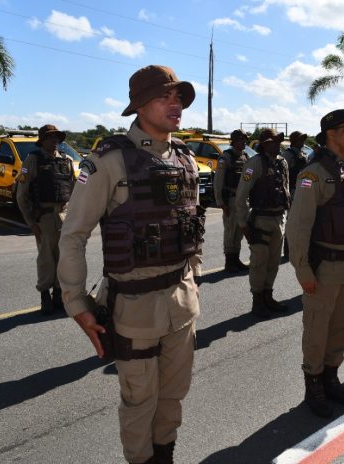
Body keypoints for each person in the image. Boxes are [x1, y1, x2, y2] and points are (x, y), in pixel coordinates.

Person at [57, 65, 203, 464]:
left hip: (183, 303)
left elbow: (191, 224)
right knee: (140, 401)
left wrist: (195, 278)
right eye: (165, 96)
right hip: (134, 309)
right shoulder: (107, 161)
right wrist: (76, 304)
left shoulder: (187, 160)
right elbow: (72, 235)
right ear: (139, 105)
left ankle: (165, 455)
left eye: (180, 98)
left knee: (173, 396)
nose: (176, 105)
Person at [286, 109, 344, 418]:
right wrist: (303, 270)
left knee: (340, 329)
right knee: (317, 331)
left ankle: (331, 378)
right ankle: (314, 385)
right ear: (330, 133)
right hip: (323, 269)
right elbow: (298, 228)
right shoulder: (313, 173)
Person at [16, 124, 75, 315]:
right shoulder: (33, 160)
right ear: (42, 140)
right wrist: (31, 222)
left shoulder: (66, 161)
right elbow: (21, 195)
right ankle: (45, 296)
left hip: (64, 216)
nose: (55, 141)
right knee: (46, 259)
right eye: (51, 137)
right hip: (44, 217)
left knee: (63, 258)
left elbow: (74, 190)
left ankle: (58, 294)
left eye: (57, 137)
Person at [236, 128, 290, 318]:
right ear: (264, 144)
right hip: (261, 220)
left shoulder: (282, 162)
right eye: (272, 141)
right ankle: (257, 302)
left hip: (278, 218)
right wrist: (243, 224)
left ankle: (268, 296)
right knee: (259, 263)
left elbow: (285, 188)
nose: (277, 144)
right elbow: (241, 196)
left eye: (278, 141)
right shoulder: (254, 164)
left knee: (273, 262)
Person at [214, 129, 250, 272]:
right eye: (241, 140)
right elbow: (218, 181)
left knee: (240, 231)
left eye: (245, 140)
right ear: (234, 141)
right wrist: (221, 203)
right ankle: (229, 262)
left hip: (242, 200)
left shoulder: (245, 157)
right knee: (230, 230)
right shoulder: (226, 157)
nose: (244, 142)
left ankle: (236, 259)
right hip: (230, 199)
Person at [282, 131, 309, 259]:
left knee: (301, 220)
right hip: (292, 190)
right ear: (294, 141)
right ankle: (288, 249)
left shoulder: (302, 154)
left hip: (303, 190)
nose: (302, 142)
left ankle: (297, 247)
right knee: (291, 220)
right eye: (300, 140)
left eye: (303, 139)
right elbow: (283, 174)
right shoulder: (287, 155)